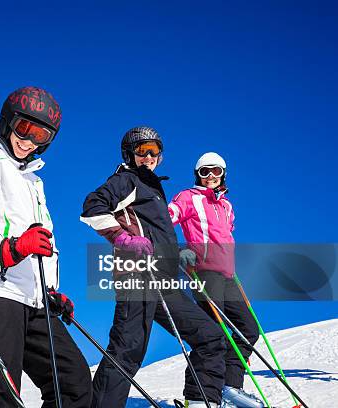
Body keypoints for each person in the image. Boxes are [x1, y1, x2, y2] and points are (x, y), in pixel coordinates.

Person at [0, 86, 92, 407]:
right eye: (24, 129)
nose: (29, 141)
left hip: (33, 302)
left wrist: (49, 289)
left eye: (40, 136)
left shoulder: (33, 181)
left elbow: (44, 240)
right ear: (8, 121)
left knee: (73, 383)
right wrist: (8, 248)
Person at [81, 127, 227, 408]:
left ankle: (200, 402)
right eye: (142, 150)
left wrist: (177, 252)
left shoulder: (152, 188)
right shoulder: (126, 180)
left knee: (211, 337)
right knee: (128, 349)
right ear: (129, 153)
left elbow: (154, 232)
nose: (148, 156)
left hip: (164, 279)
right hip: (138, 275)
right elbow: (92, 207)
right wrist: (122, 238)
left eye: (154, 150)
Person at [169, 152, 263, 408]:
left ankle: (229, 387)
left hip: (229, 276)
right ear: (197, 174)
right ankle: (197, 395)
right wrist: (178, 250)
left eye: (216, 171)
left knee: (248, 329)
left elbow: (226, 236)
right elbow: (165, 222)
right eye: (204, 171)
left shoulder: (226, 206)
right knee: (213, 334)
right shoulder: (187, 197)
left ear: (223, 174)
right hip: (204, 274)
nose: (211, 176)